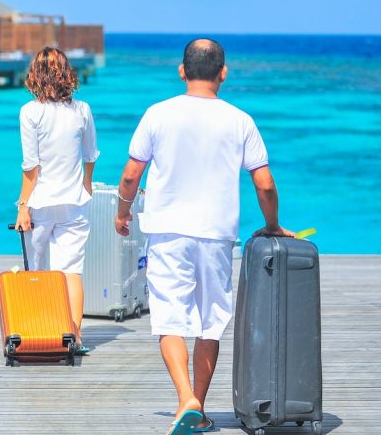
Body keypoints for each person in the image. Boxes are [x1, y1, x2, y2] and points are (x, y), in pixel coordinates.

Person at [114, 38, 294, 435]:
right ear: (223, 73)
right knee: (211, 320)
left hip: (167, 231)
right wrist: (273, 225)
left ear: (182, 70)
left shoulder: (158, 114)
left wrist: (123, 211)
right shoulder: (240, 120)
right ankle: (197, 405)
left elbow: (131, 174)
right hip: (216, 234)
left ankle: (186, 402)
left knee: (168, 315)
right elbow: (264, 183)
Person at [14, 47, 99, 353]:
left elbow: (31, 166)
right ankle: (74, 337)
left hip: (40, 203)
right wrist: (85, 185)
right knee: (71, 271)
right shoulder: (82, 110)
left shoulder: (30, 112)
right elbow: (90, 155)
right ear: (67, 74)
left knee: (34, 272)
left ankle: (37, 332)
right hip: (74, 203)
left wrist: (23, 205)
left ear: (34, 75)